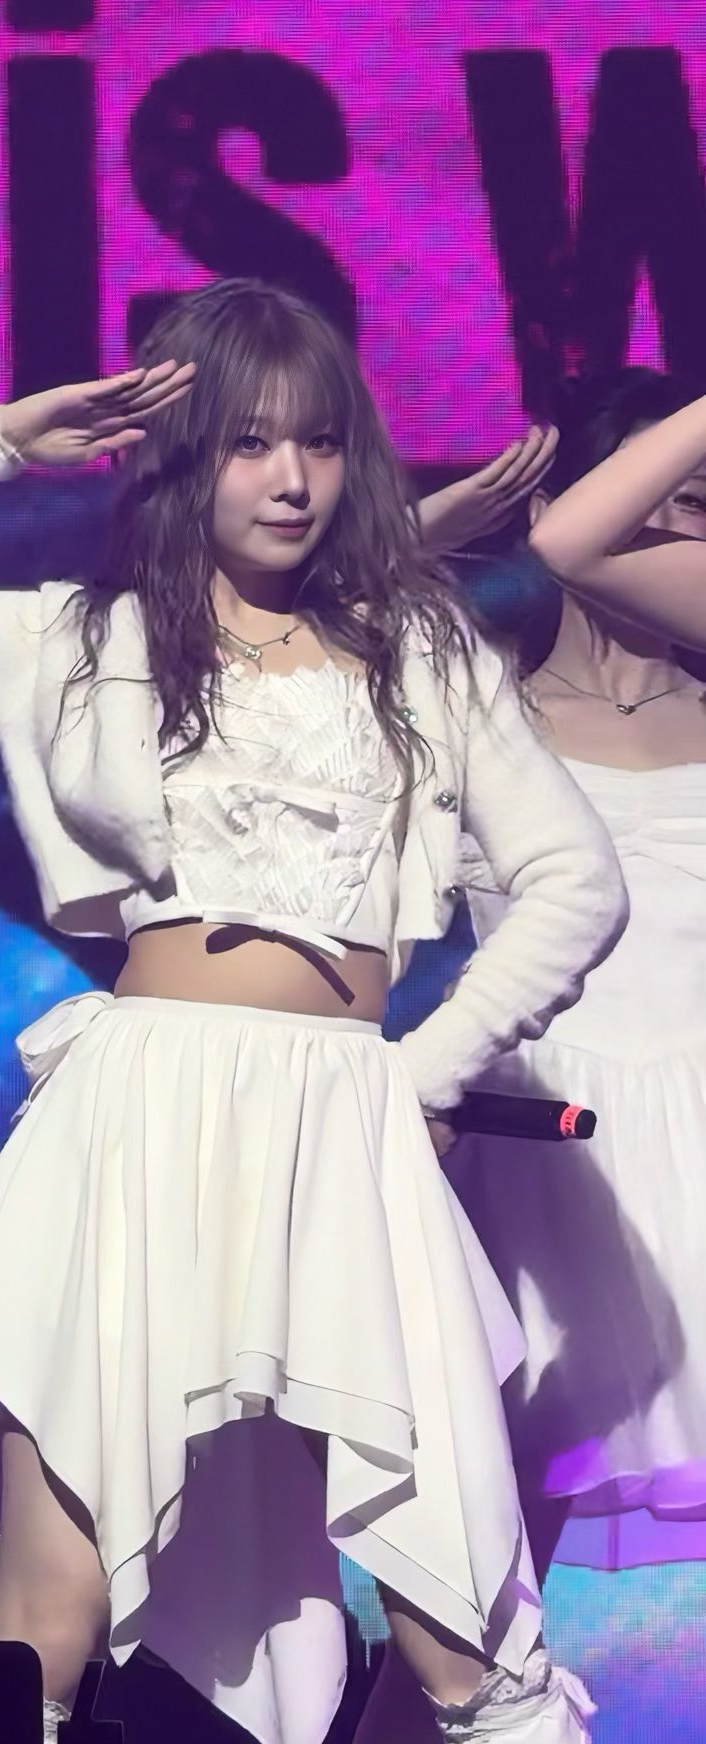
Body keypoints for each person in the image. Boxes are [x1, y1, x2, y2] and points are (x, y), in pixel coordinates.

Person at [0, 280, 622, 1744]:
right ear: (181, 456)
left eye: (322, 442)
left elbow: (573, 879)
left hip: (344, 1127)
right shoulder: (72, 642)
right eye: (249, 442)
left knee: (459, 1611)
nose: (292, 478)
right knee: (48, 1612)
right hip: (138, 1121)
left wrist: (430, 1066)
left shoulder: (421, 652)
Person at [444, 369, 706, 1576]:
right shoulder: (472, 710)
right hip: (543, 1144)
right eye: (648, 492)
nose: (670, 521)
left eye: (694, 500)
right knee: (482, 1549)